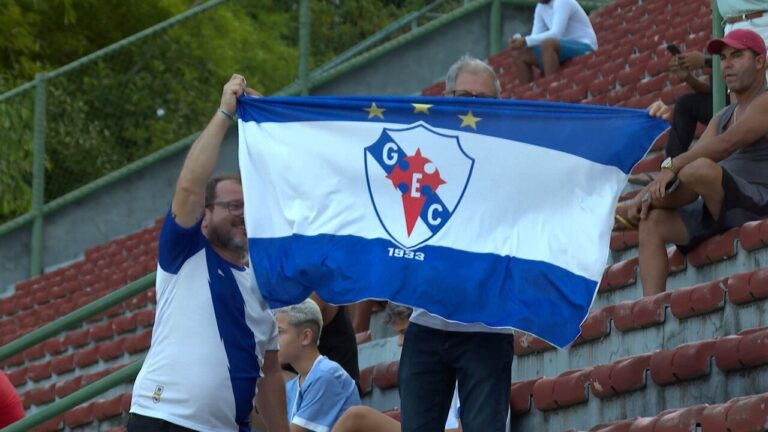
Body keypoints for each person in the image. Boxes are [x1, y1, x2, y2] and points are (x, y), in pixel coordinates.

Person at [128, 75, 289, 432]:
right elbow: (189, 186)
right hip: (164, 419)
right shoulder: (185, 255)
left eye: (248, 207)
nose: (243, 214)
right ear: (204, 216)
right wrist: (224, 114)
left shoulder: (260, 285)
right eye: (233, 206)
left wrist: (268, 123)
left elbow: (270, 373)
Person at [397, 55, 514, 432]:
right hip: (426, 324)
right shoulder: (421, 152)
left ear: (498, 104)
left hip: (487, 328)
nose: (472, 106)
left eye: (483, 99)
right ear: (446, 97)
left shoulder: (519, 157)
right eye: (464, 96)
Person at [618, 29, 768, 297]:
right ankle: (652, 307)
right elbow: (696, 153)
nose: (727, 64)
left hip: (756, 203)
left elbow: (726, 144)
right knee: (653, 221)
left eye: (737, 56)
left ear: (760, 62)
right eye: (723, 58)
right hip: (719, 206)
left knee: (698, 169)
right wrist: (650, 189)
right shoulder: (723, 115)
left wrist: (671, 166)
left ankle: (639, 205)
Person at [331, 304, 462, 432]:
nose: (399, 342)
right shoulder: (421, 374)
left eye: (404, 332)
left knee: (357, 417)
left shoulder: (462, 363)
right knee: (356, 417)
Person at [631, 51, 714, 187]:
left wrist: (706, 61)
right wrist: (689, 78)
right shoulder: (722, 43)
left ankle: (672, 169)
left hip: (738, 104)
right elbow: (715, 93)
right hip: (723, 103)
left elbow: (731, 94)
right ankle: (669, 169)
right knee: (685, 103)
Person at [276, 299, 361, 432]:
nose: (271, 340)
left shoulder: (327, 375)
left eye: (279, 332)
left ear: (305, 337)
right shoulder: (292, 386)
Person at [509, 0, 597, 84]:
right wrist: (519, 43)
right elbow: (534, 38)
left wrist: (525, 41)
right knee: (522, 55)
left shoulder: (562, 1)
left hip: (584, 45)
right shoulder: (540, 8)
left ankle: (553, 87)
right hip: (562, 46)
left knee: (548, 45)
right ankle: (526, 93)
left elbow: (556, 33)